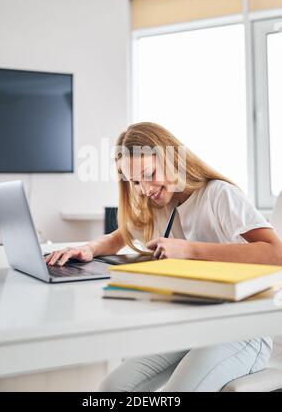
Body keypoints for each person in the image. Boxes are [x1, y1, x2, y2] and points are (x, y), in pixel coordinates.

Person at [46, 122, 282, 392]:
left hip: (242, 329)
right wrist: (88, 249)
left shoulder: (219, 195)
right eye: (134, 181)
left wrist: (189, 250)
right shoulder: (159, 204)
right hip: (191, 324)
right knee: (112, 387)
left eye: (149, 174)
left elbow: (276, 253)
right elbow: (117, 238)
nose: (145, 189)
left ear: (170, 159)